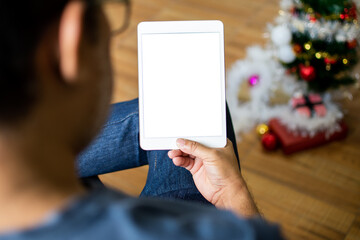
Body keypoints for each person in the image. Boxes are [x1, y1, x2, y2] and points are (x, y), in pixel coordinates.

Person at [0, 0, 283, 239]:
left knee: (175, 117)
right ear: (70, 44)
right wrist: (235, 197)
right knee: (201, 115)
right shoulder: (221, 232)